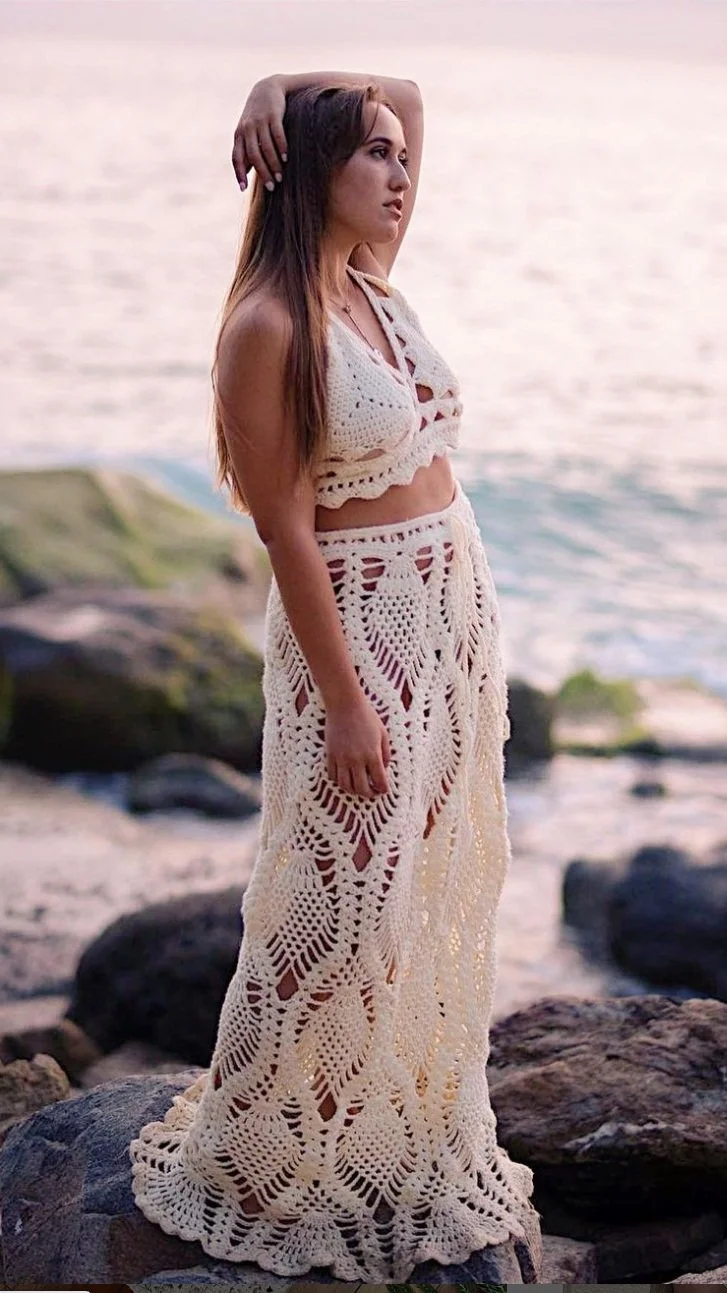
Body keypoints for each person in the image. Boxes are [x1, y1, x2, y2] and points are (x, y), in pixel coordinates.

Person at [129, 70, 538, 1283]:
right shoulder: (269, 325)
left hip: (443, 620)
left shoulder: (365, 280)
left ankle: (382, 1122)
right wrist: (349, 704)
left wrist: (277, 83)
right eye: (374, 155)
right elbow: (287, 532)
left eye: (401, 155)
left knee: (414, 886)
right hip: (355, 634)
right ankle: (261, 1141)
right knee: (335, 895)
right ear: (314, 173)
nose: (401, 171)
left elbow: (405, 92)